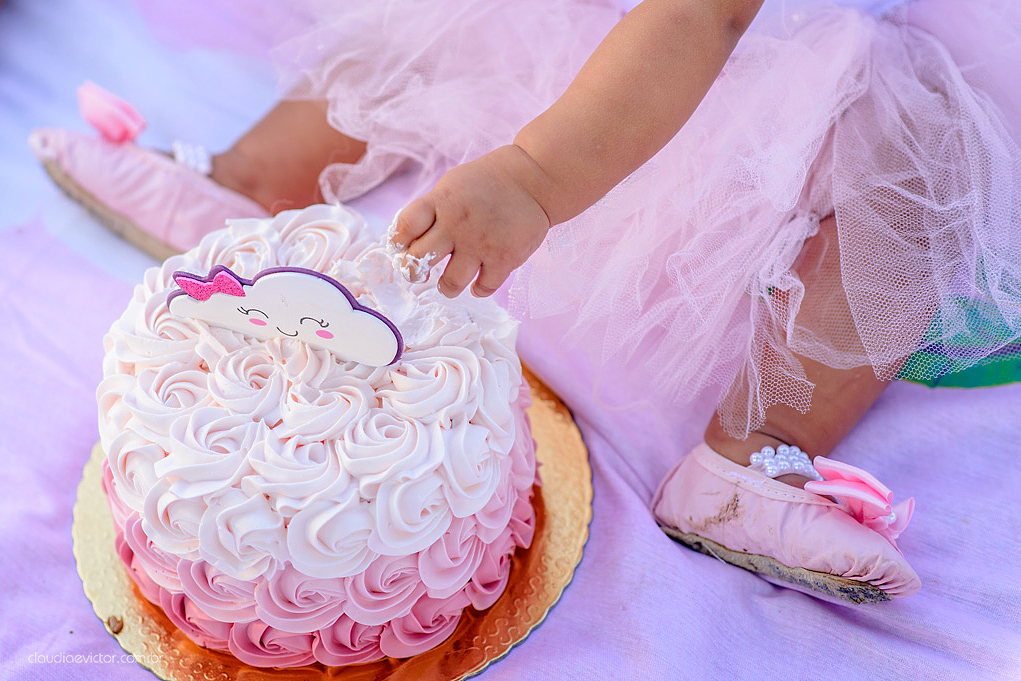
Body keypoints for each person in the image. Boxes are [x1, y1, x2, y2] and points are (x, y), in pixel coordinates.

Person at [30, 0, 1021, 603]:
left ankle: (756, 455)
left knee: (920, 167)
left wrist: (532, 180)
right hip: (591, 48)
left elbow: (701, 18)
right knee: (447, 18)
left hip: (780, 98)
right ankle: (247, 178)